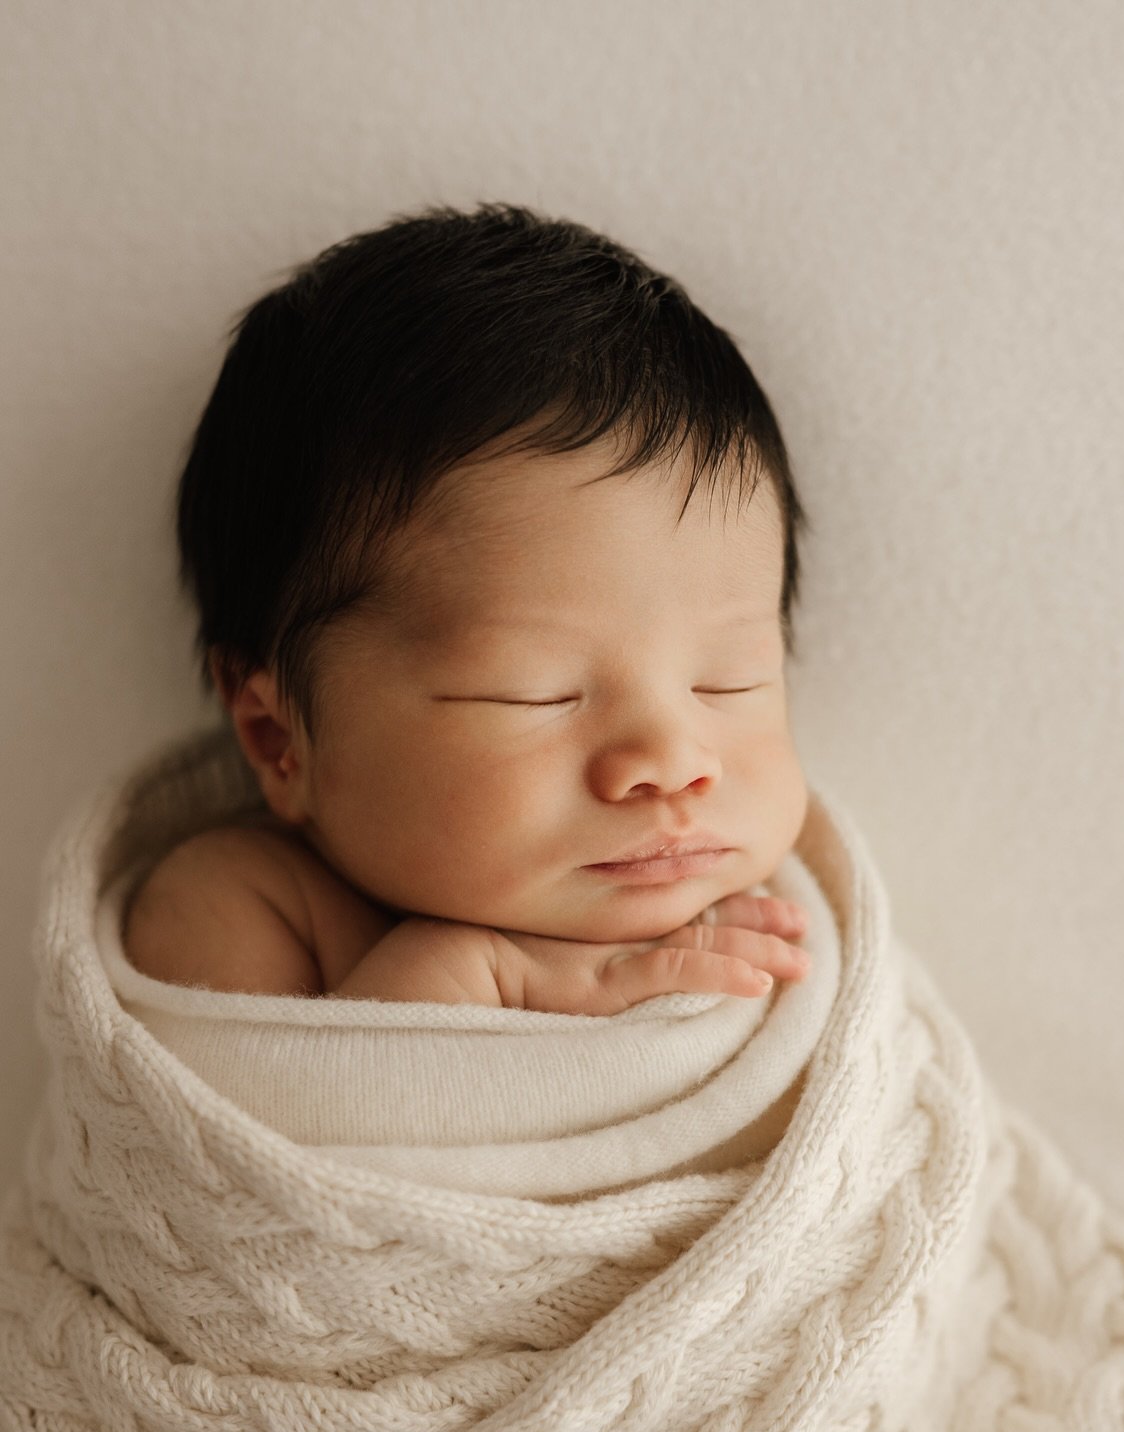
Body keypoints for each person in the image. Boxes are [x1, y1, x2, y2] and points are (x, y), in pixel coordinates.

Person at [123, 201, 814, 1014]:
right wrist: (464, 979)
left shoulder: (775, 909)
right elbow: (244, 1132)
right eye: (536, 692)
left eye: (728, 682)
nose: (674, 760)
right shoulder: (240, 900)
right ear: (280, 740)